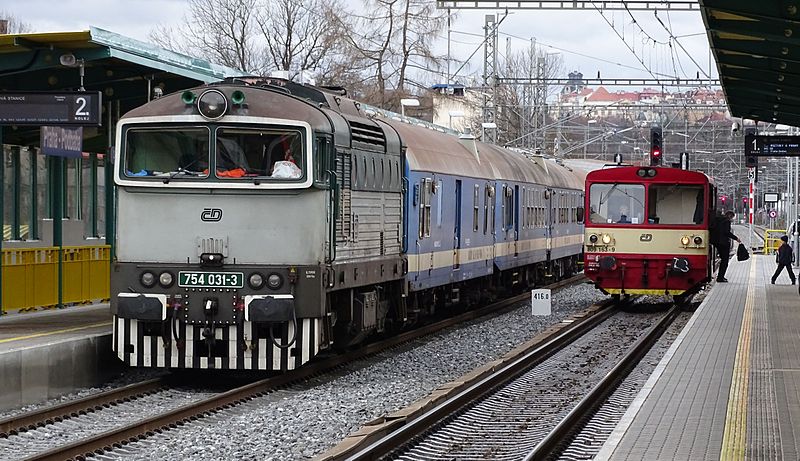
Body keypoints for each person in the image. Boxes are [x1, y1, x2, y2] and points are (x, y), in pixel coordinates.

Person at [711, 210, 740, 283]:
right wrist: (736, 238)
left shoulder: (718, 219)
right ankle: (720, 277)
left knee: (722, 258)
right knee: (725, 260)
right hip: (723, 243)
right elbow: (727, 232)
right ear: (730, 216)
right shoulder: (726, 222)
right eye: (732, 217)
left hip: (716, 242)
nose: (731, 219)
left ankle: (720, 276)